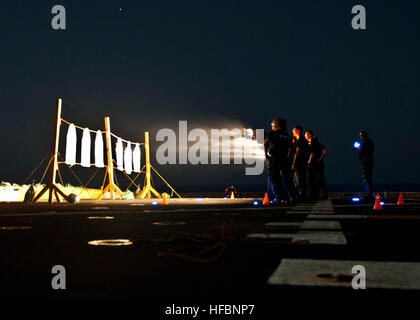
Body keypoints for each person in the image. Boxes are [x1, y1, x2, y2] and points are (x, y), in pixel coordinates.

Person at [264, 118, 295, 204]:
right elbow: (291, 148)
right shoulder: (287, 135)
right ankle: (291, 197)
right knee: (287, 178)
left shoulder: (272, 133)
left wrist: (265, 155)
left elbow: (265, 143)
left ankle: (279, 198)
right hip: (284, 159)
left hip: (274, 159)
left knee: (274, 178)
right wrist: (288, 157)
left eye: (272, 124)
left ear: (275, 125)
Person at [305, 131, 328, 200]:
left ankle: (314, 194)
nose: (305, 136)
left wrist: (309, 162)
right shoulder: (318, 144)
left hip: (313, 164)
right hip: (319, 164)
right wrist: (320, 159)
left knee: (312, 179)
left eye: (306, 135)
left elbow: (312, 153)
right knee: (320, 179)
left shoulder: (312, 143)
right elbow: (325, 152)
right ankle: (322, 193)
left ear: (309, 135)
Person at [354, 130, 374, 200]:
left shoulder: (367, 142)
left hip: (366, 161)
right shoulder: (365, 142)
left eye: (361, 135)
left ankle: (370, 195)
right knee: (366, 177)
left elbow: (364, 150)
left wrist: (358, 148)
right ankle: (369, 194)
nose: (360, 137)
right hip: (365, 161)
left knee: (366, 177)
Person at [291, 126, 309, 202]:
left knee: (300, 179)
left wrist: (293, 163)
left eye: (294, 130)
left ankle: (302, 196)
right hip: (301, 163)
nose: (292, 131)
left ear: (297, 131)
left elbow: (297, 153)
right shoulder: (298, 140)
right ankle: (301, 195)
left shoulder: (300, 140)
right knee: (298, 179)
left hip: (299, 163)